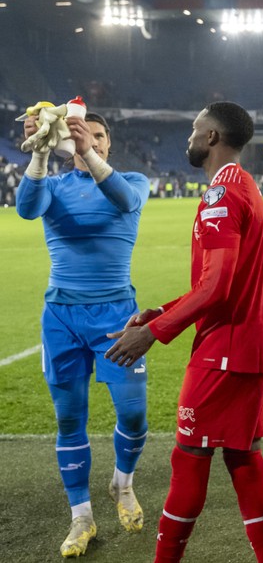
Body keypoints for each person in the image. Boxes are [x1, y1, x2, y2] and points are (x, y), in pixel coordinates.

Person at [105, 101, 263, 563]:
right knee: (243, 457)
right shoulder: (242, 185)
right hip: (252, 342)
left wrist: (155, 333)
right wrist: (161, 312)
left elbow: (216, 287)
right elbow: (219, 282)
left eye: (194, 129)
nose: (188, 137)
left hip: (226, 347)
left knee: (189, 456)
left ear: (212, 137)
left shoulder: (220, 194)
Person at [16, 109, 150, 557]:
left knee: (133, 415)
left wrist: (87, 152)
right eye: (78, 135)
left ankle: (122, 484)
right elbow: (26, 209)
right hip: (62, 319)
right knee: (69, 419)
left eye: (96, 135)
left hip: (118, 320)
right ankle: (82, 517)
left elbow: (124, 202)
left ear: (108, 142)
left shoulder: (133, 181)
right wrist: (38, 155)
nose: (86, 140)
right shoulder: (52, 187)